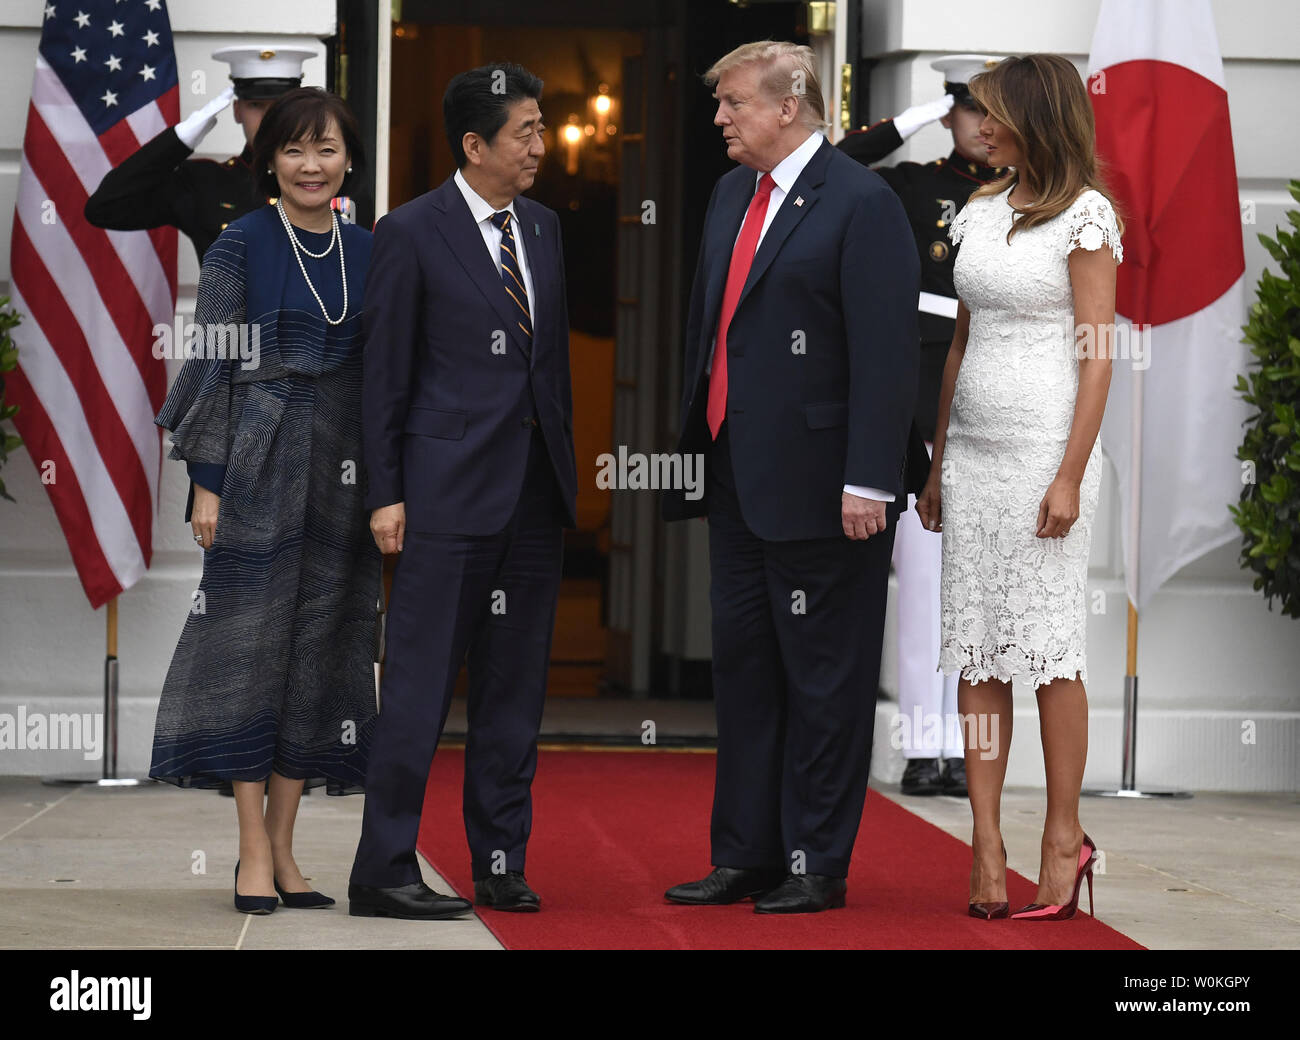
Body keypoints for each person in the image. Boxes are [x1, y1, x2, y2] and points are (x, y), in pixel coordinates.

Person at [662, 41, 924, 914]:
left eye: (733, 102)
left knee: (824, 678)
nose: (720, 118)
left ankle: (817, 862)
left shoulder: (863, 201)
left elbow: (886, 357)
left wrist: (869, 481)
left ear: (788, 106)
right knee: (744, 669)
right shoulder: (733, 192)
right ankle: (745, 854)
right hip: (739, 475)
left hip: (828, 488)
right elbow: (716, 326)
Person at [348, 63, 578, 921]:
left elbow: (545, 369)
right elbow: (385, 376)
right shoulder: (409, 231)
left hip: (531, 502)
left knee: (514, 696)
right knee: (415, 691)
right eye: (526, 131)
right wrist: (386, 493)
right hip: (441, 502)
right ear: (475, 143)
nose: (541, 144)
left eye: (542, 126)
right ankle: (383, 869)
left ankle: (500, 861)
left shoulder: (547, 229)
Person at [150, 87, 381, 914]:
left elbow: (385, 381)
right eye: (293, 151)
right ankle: (250, 849)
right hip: (258, 458)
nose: (310, 165)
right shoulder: (238, 245)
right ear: (268, 162)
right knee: (249, 655)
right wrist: (205, 482)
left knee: (319, 657)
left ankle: (288, 850)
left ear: (348, 158)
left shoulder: (370, 249)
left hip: (343, 473)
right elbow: (210, 365)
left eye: (325, 150)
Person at [916, 54, 1123, 921]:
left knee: (1047, 654)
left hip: (1047, 460)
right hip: (973, 458)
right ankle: (987, 841)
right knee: (977, 650)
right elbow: (961, 346)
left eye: (992, 112)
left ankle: (1063, 837)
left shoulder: (1086, 215)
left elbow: (1097, 354)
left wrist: (1070, 474)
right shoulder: (976, 208)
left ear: (1035, 117)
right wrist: (935, 463)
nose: (978, 125)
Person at [837, 55, 1007, 798]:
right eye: (969, 111)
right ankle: (922, 746)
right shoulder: (913, 186)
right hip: (922, 407)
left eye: (996, 113)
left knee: (982, 592)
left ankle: (972, 753)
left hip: (996, 407)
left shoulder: (1026, 199)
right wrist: (911, 122)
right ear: (951, 114)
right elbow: (835, 163)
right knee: (924, 587)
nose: (984, 126)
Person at [84, 45, 318, 267]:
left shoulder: (329, 178)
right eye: (255, 105)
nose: (268, 119)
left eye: (278, 106)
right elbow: (105, 207)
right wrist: (181, 138)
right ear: (237, 111)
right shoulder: (205, 183)